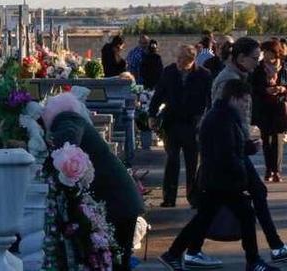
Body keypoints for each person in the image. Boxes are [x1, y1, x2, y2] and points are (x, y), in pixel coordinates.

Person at [159, 80, 278, 271]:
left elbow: (233, 146)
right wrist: (241, 178)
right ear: (233, 98)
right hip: (222, 179)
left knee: (203, 218)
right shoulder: (222, 119)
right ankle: (253, 261)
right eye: (244, 102)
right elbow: (226, 152)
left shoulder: (224, 116)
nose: (245, 106)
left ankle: (173, 253)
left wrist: (248, 147)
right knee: (244, 215)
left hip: (216, 178)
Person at [42, 93, 144, 271]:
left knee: (117, 260)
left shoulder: (67, 119)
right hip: (122, 200)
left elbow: (67, 142)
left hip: (118, 203)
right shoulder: (75, 120)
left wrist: (52, 160)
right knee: (118, 259)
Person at [148, 45, 211, 208]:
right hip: (172, 122)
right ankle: (169, 197)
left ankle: (193, 197)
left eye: (181, 58)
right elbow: (158, 94)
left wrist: (207, 120)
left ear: (191, 60)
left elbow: (209, 100)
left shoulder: (203, 75)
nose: (178, 61)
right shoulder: (169, 71)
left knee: (192, 163)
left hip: (193, 124)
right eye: (177, 57)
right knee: (172, 160)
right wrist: (152, 115)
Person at [252, 41, 287, 182]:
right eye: (264, 52)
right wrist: (264, 90)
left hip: (279, 107)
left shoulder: (284, 68)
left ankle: (277, 170)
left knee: (278, 140)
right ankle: (268, 169)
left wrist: (282, 89)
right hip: (264, 107)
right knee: (266, 139)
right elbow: (253, 87)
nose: (266, 55)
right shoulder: (258, 68)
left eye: (269, 52)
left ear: (275, 53)